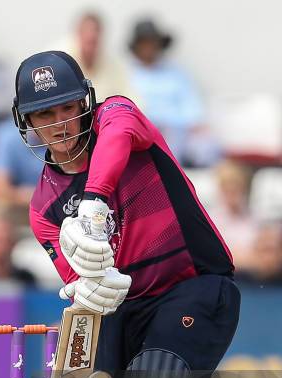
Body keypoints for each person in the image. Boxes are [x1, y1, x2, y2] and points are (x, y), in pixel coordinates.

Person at [12, 51, 240, 378]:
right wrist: (86, 281)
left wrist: (94, 202)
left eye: (66, 108)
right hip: (122, 307)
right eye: (43, 115)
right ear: (27, 122)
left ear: (86, 102)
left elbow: (113, 143)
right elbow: (75, 278)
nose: (59, 125)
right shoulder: (43, 208)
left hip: (194, 286)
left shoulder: (120, 116)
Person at [127, 19, 218, 166]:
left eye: (152, 42)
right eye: (144, 43)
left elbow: (191, 103)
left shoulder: (175, 71)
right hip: (146, 133)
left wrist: (195, 122)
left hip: (181, 130)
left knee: (208, 147)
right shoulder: (128, 73)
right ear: (137, 46)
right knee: (166, 144)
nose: (149, 47)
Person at [52, 12, 138, 104]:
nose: (91, 36)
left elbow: (130, 95)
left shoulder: (113, 62)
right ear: (78, 34)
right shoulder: (57, 59)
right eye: (87, 36)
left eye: (94, 40)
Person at [0, 118, 44, 228]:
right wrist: (32, 197)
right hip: (20, 203)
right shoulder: (5, 134)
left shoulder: (71, 134)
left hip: (59, 202)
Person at [211, 160, 258, 273]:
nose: (232, 193)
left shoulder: (255, 218)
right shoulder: (211, 220)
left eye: (236, 188)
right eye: (227, 188)